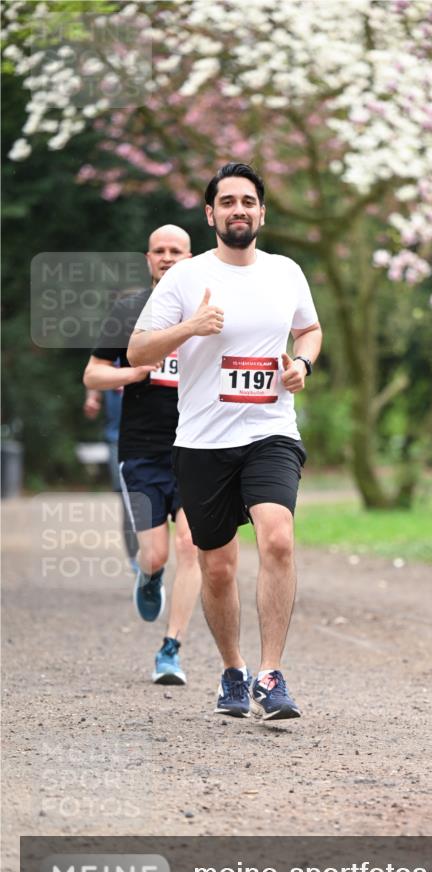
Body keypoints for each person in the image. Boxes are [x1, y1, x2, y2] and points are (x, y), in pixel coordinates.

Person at [127, 163, 322, 721]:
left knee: (279, 538)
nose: (240, 209)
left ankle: (271, 675)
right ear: (211, 214)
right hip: (203, 441)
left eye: (249, 201)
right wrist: (191, 327)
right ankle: (233, 671)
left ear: (262, 212)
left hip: (271, 431)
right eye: (228, 202)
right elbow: (139, 351)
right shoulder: (184, 279)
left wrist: (302, 363)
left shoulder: (286, 271)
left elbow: (310, 328)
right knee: (216, 566)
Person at [83, 225, 201, 686]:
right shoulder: (129, 310)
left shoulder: (206, 312)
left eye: (177, 251)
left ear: (191, 258)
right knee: (154, 556)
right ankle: (150, 577)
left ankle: (170, 649)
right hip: (143, 450)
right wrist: (131, 374)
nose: (168, 257)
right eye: (160, 251)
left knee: (191, 546)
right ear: (148, 259)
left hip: (198, 447)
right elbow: (93, 375)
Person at [83, 385, 139, 565]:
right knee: (128, 501)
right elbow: (94, 377)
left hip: (156, 437)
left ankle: (154, 557)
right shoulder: (113, 357)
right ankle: (136, 562)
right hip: (117, 439)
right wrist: (92, 398)